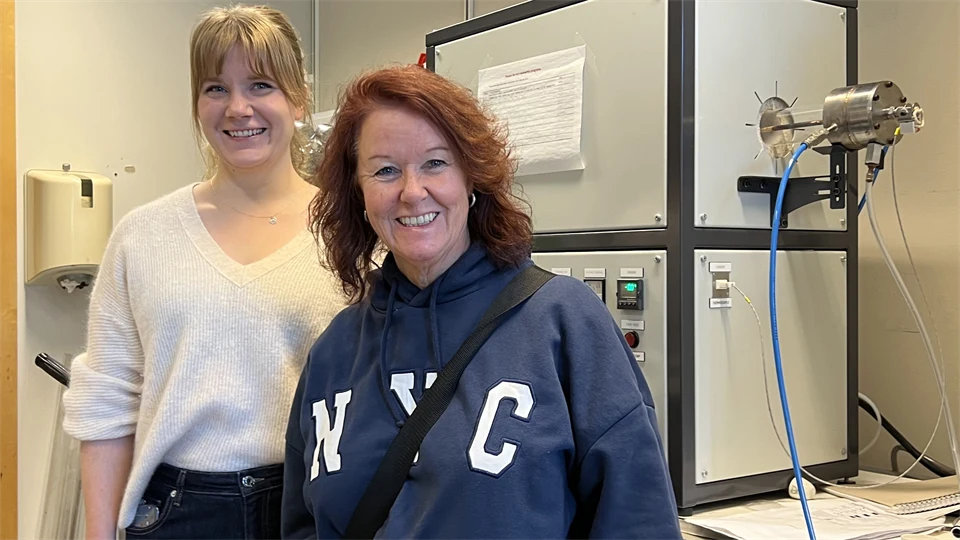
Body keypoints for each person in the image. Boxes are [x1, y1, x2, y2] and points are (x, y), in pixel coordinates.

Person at [281, 64, 683, 539]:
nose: (412, 192)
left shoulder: (562, 322)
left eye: (435, 163)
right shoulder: (334, 353)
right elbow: (302, 526)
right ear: (359, 192)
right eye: (385, 170)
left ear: (471, 177)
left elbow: (637, 519)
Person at [61, 5, 346, 540]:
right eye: (216, 88)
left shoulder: (348, 234)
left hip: (310, 505)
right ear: (197, 104)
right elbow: (106, 403)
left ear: (299, 98)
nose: (238, 108)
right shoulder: (143, 236)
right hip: (175, 512)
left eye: (260, 85)